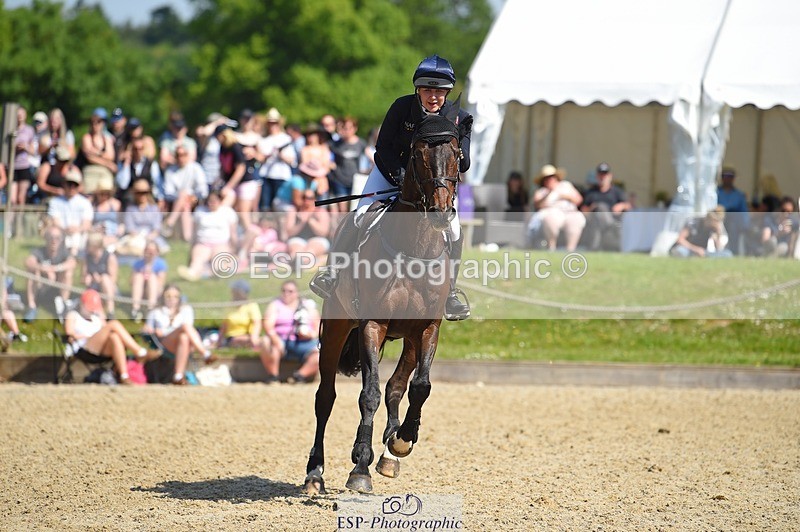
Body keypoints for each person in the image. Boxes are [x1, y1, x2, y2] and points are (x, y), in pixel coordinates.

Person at [310, 55, 473, 320]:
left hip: (433, 186)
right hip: (391, 172)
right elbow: (383, 148)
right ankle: (332, 273)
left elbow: (463, 164)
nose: (433, 97)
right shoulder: (401, 108)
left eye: (440, 91)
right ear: (418, 90)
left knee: (453, 230)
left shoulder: (460, 118)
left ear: (447, 92)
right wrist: (399, 179)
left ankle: (451, 292)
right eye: (428, 90)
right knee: (361, 214)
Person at [64, 289, 158, 385]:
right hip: (83, 347)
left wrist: (100, 314)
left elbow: (105, 329)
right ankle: (140, 352)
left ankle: (124, 376)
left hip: (99, 349)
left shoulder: (96, 317)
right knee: (113, 324)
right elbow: (70, 336)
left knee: (114, 337)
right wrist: (87, 336)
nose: (92, 310)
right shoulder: (73, 315)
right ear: (81, 304)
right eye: (89, 307)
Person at [142, 284, 218, 385]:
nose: (171, 299)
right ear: (163, 297)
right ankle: (205, 353)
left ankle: (178, 376)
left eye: (175, 296)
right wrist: (152, 330)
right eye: (168, 296)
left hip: (185, 342)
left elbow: (189, 328)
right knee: (184, 328)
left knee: (184, 337)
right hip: (165, 343)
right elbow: (148, 329)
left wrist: (164, 330)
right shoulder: (155, 312)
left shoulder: (186, 310)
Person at [261, 280, 320, 384]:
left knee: (320, 353)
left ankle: (299, 376)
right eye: (284, 291)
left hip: (304, 342)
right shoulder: (276, 305)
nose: (286, 294)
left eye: (290, 291)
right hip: (281, 340)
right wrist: (275, 340)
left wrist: (310, 335)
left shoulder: (307, 305)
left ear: (297, 293)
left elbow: (318, 327)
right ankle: (273, 377)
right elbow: (267, 325)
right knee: (267, 342)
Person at [177, 191, 238, 282]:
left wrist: (234, 250)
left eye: (214, 201)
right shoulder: (200, 211)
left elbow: (233, 233)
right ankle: (193, 273)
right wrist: (192, 246)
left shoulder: (228, 212)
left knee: (218, 266)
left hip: (221, 244)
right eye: (210, 201)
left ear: (220, 201)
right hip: (203, 243)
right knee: (197, 261)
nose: (211, 203)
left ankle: (208, 272)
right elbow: (194, 231)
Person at [23, 226, 77, 322]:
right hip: (41, 288)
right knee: (32, 271)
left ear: (61, 240)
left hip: (57, 289)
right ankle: (32, 307)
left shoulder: (63, 252)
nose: (54, 241)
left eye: (57, 238)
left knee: (68, 272)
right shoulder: (40, 251)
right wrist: (43, 268)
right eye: (51, 237)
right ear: (46, 238)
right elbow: (28, 262)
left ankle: (63, 306)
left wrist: (55, 269)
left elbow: (72, 263)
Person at [528, 165, 585, 251]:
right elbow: (537, 204)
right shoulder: (542, 191)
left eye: (551, 177)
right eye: (546, 178)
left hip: (570, 212)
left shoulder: (566, 185)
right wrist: (549, 193)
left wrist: (565, 196)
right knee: (551, 218)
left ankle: (570, 250)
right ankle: (552, 248)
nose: (549, 180)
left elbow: (579, 200)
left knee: (576, 219)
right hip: (552, 213)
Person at [580, 162, 631, 251]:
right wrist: (592, 207)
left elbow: (629, 206)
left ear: (610, 176)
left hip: (611, 219)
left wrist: (622, 205)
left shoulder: (617, 191)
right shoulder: (591, 192)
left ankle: (595, 246)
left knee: (600, 210)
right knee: (600, 208)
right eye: (600, 175)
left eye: (605, 175)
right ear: (597, 176)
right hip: (595, 221)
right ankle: (608, 229)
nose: (603, 177)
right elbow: (583, 209)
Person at [161, 146, 208, 240]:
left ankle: (170, 222)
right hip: (178, 201)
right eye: (178, 155)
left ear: (188, 155)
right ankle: (187, 237)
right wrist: (182, 197)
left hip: (195, 200)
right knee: (184, 204)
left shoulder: (195, 168)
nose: (181, 158)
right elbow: (168, 192)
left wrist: (191, 196)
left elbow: (203, 190)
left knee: (184, 196)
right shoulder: (170, 171)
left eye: (184, 155)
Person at [257, 108, 295, 211]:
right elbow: (259, 158)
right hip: (266, 175)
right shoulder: (263, 139)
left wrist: (281, 155)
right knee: (265, 206)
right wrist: (266, 156)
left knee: (279, 206)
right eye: (270, 123)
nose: (272, 125)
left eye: (274, 123)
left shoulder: (285, 138)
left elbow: (292, 160)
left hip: (281, 175)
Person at [46, 170, 93, 254]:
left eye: (75, 185)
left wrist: (76, 229)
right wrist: (65, 229)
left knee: (76, 237)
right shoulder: (55, 202)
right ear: (64, 184)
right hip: (61, 232)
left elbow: (87, 224)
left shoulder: (85, 203)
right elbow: (55, 221)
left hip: (80, 234)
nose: (72, 187)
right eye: (69, 184)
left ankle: (72, 257)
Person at [120, 179, 169, 256]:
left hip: (152, 237)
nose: (142, 195)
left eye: (144, 192)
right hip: (135, 237)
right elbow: (130, 228)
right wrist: (139, 237)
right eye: (139, 193)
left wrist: (150, 237)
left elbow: (157, 228)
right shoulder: (130, 209)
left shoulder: (154, 209)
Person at [329, 116, 368, 212]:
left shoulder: (360, 143)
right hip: (340, 179)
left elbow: (372, 157)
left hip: (355, 180)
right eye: (344, 128)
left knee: (355, 207)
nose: (347, 131)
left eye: (349, 128)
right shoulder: (335, 144)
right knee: (342, 209)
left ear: (355, 128)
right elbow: (327, 157)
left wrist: (369, 170)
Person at [219, 280, 267, 356]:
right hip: (232, 338)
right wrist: (219, 342)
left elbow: (257, 323)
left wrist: (254, 337)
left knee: (265, 341)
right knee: (243, 340)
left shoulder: (251, 305)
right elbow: (224, 326)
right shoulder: (229, 306)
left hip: (250, 336)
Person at [284, 190, 331, 265]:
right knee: (295, 252)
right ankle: (299, 263)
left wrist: (310, 220)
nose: (306, 200)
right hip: (298, 239)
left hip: (317, 239)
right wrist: (301, 222)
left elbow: (323, 233)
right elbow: (289, 232)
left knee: (310, 251)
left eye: (310, 198)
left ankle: (301, 264)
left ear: (315, 199)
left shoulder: (321, 212)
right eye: (304, 197)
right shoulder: (294, 210)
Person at [82, 232, 118, 318]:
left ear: (95, 246)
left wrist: (100, 279)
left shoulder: (109, 257)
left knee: (105, 278)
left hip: (108, 289)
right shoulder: (87, 258)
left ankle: (110, 311)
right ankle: (98, 313)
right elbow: (82, 278)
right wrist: (87, 278)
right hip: (93, 287)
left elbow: (113, 279)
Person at [130, 241, 168, 323]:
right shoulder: (138, 263)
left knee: (152, 277)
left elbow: (161, 283)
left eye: (153, 250)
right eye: (148, 250)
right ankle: (135, 309)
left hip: (155, 290)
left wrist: (150, 275)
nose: (150, 253)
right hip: (141, 289)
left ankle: (151, 309)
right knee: (138, 276)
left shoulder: (160, 264)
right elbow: (132, 282)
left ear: (157, 252)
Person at [716, 168, 750, 255]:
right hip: (717, 220)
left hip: (733, 224)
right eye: (725, 176)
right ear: (722, 177)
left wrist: (745, 226)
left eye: (730, 176)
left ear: (733, 178)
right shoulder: (715, 192)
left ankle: (732, 252)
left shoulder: (739, 195)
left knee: (734, 225)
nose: (727, 178)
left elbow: (743, 212)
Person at [11, 106, 36, 207]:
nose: (20, 116)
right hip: (12, 166)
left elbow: (33, 150)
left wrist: (25, 147)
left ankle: (19, 221)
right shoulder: (10, 129)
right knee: (12, 199)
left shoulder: (29, 130)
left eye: (22, 114)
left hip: (24, 166)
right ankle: (10, 221)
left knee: (21, 198)